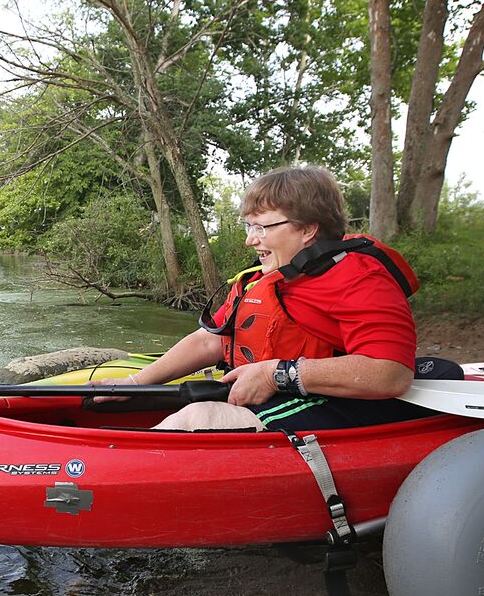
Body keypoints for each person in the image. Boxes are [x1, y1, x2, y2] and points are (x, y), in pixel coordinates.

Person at [100, 165, 428, 432]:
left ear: (308, 229)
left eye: (260, 227)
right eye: (248, 226)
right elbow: (210, 341)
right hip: (280, 395)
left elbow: (391, 373)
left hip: (342, 405)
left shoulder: (360, 278)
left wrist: (275, 373)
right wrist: (134, 382)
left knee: (200, 419)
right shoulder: (261, 279)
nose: (249, 240)